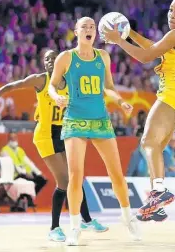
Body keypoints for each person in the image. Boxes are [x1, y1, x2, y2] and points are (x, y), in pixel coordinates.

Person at [0, 49, 107, 242]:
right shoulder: (41, 80)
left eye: (54, 59)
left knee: (76, 178)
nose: (50, 61)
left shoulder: (71, 83)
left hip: (64, 133)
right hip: (45, 136)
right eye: (47, 59)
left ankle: (86, 220)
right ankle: (54, 228)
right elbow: (9, 87)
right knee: (64, 181)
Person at [102, 0, 175, 220]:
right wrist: (129, 34)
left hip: (174, 92)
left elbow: (146, 57)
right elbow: (154, 48)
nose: (172, 15)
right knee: (155, 147)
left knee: (148, 142)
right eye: (170, 10)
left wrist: (119, 41)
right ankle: (156, 203)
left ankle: (158, 193)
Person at [48, 17, 139, 246]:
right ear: (76, 32)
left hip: (100, 120)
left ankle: (127, 216)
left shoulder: (103, 57)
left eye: (92, 27)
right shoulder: (66, 57)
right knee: (76, 175)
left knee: (117, 174)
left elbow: (108, 87)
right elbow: (52, 83)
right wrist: (56, 96)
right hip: (75, 119)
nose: (89, 29)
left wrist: (120, 101)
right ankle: (75, 227)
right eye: (84, 27)